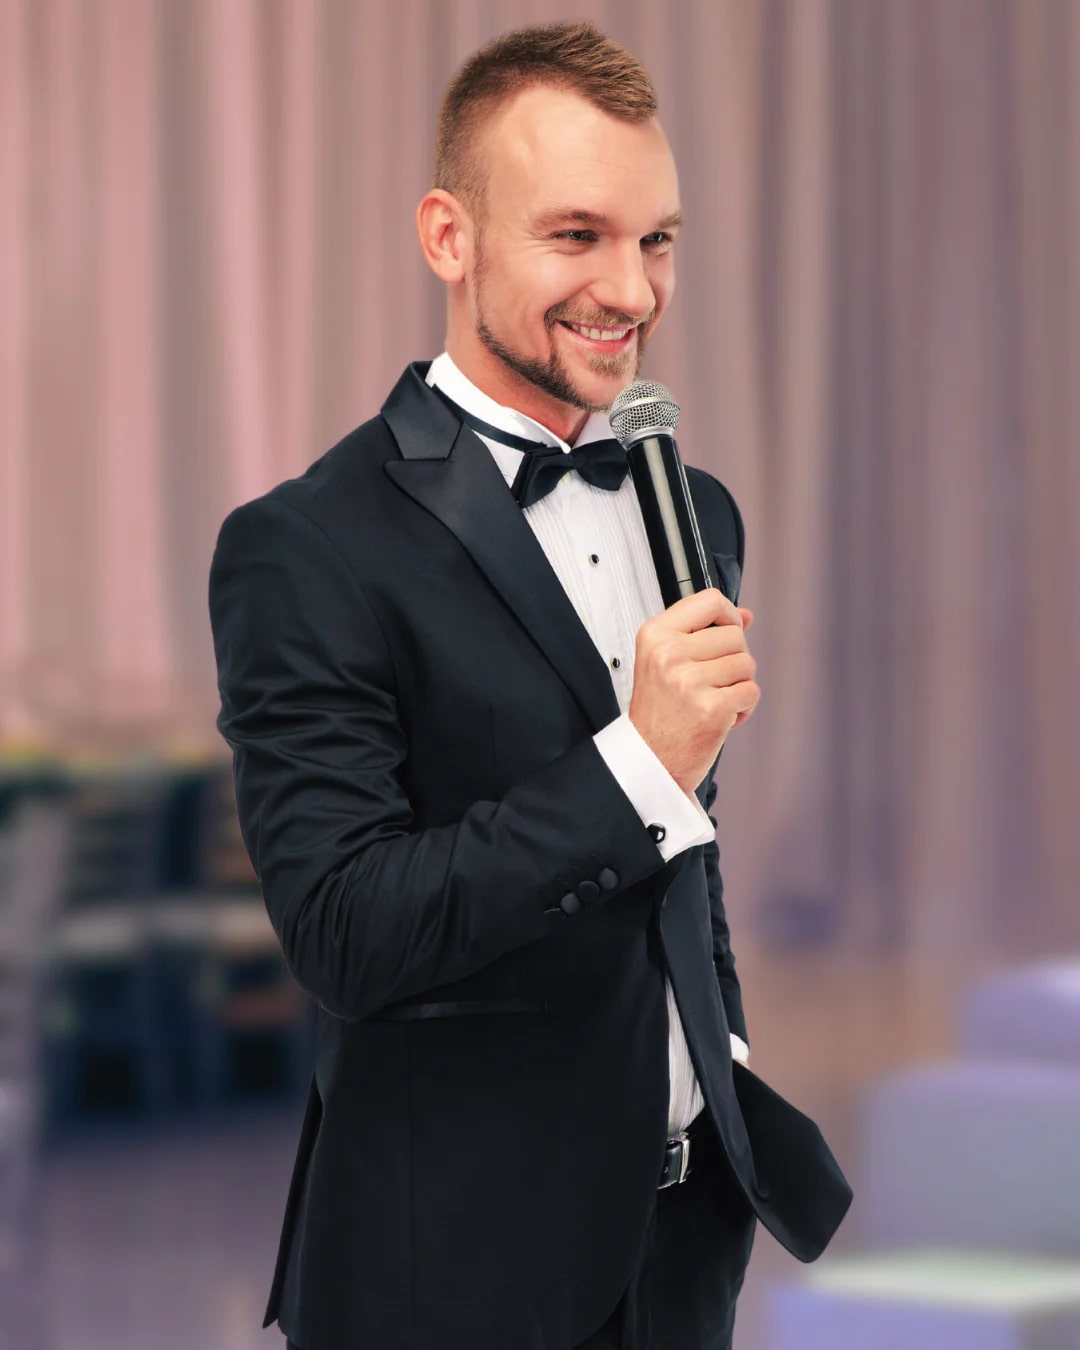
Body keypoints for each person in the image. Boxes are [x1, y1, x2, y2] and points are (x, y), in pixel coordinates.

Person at [209, 20, 851, 1350]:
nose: (631, 288)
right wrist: (636, 762)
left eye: (656, 238)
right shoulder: (304, 545)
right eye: (577, 236)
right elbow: (344, 929)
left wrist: (715, 1067)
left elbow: (688, 849)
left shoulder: (700, 509)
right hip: (446, 1272)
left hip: (682, 1252)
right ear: (450, 238)